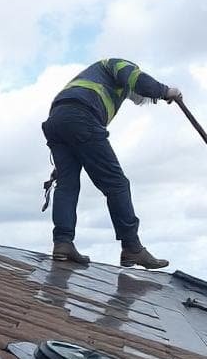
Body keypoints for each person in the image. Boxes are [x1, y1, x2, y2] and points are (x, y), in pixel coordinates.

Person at [41, 58, 182, 269]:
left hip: (57, 120)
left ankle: (62, 243)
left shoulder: (92, 80)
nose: (138, 98)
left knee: (67, 185)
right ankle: (132, 248)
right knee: (117, 184)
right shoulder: (117, 64)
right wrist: (166, 91)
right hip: (81, 116)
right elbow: (138, 80)